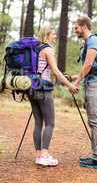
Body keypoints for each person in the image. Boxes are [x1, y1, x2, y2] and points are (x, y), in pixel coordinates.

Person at [28, 23, 78, 167]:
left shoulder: (34, 48)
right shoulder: (48, 49)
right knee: (50, 123)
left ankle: (38, 155)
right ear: (48, 34)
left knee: (38, 122)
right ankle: (44, 155)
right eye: (54, 33)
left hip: (31, 88)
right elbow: (55, 72)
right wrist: (70, 86)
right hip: (44, 89)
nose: (55, 36)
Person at [72, 15, 97, 169]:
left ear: (84, 26)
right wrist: (74, 77)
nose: (75, 31)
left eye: (76, 28)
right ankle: (95, 155)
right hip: (91, 82)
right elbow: (89, 69)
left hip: (95, 84)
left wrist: (77, 81)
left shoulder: (93, 41)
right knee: (93, 121)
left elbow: (87, 65)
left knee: (95, 121)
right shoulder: (88, 42)